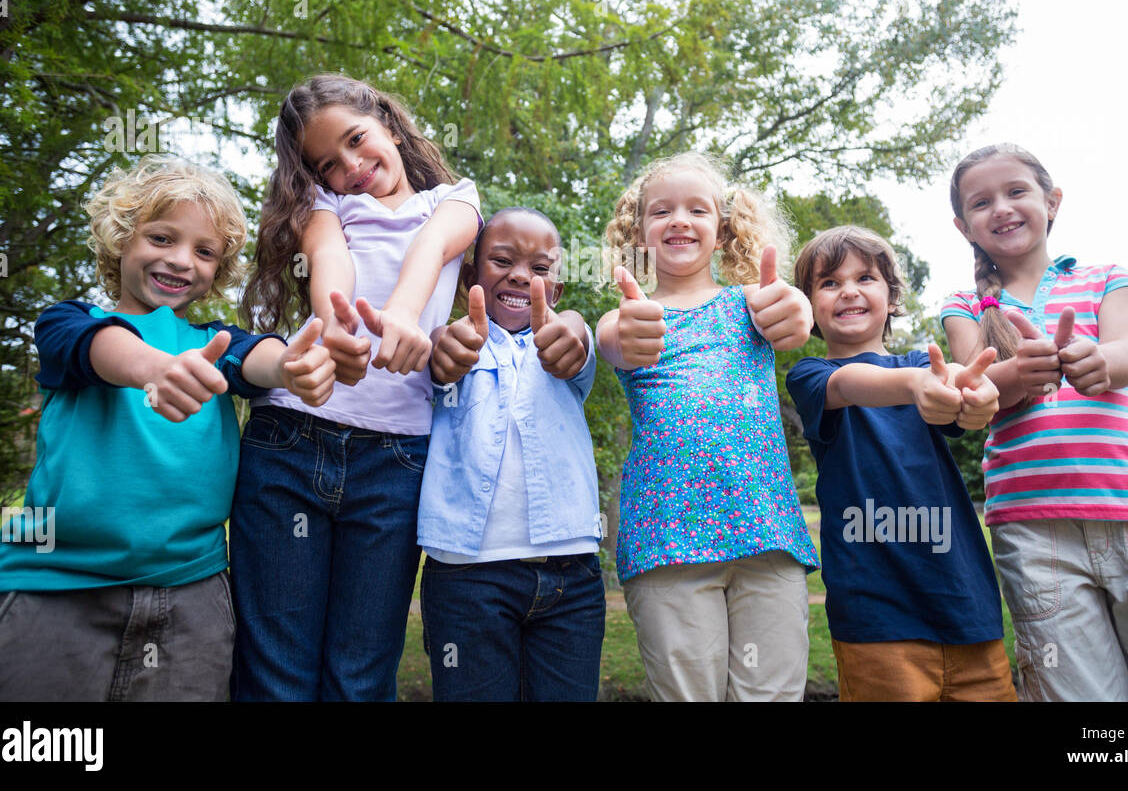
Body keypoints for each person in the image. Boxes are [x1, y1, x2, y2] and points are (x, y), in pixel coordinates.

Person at [0, 155, 334, 701]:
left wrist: (290, 368)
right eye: (161, 238)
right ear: (122, 241)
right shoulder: (71, 321)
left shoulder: (213, 344)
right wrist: (156, 369)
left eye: (204, 251)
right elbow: (99, 350)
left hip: (190, 596)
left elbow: (258, 358)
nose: (181, 260)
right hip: (51, 585)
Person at [231, 74, 480, 701]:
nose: (352, 166)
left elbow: (431, 247)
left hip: (392, 464)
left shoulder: (453, 201)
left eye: (358, 140)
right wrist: (339, 326)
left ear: (390, 127)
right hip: (290, 441)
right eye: (329, 163)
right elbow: (330, 256)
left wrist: (399, 314)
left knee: (360, 676)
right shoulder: (325, 205)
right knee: (276, 673)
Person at [941, 142, 1128, 701]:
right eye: (981, 202)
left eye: (1016, 192)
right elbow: (978, 391)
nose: (1001, 207)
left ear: (1052, 202)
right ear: (963, 225)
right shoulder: (964, 306)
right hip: (1034, 525)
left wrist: (1096, 362)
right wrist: (1022, 371)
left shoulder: (1107, 277)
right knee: (1075, 692)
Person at [597, 152, 819, 702]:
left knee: (771, 694)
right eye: (661, 211)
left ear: (722, 231)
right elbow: (613, 339)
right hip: (666, 541)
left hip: (765, 534)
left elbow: (789, 313)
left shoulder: (751, 303)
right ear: (639, 232)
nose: (678, 219)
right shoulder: (628, 314)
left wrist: (795, 310)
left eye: (697, 209)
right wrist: (627, 331)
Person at [785, 225, 1015, 701]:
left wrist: (976, 398)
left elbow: (959, 391)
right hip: (876, 618)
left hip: (967, 608)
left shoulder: (925, 367)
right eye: (828, 283)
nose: (848, 289)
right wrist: (916, 385)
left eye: (865, 278)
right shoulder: (810, 376)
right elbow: (849, 384)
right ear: (808, 307)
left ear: (891, 298)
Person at [418, 207, 605, 701]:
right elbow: (437, 359)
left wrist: (575, 326)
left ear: (556, 291)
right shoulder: (454, 343)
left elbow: (577, 343)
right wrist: (441, 346)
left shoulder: (563, 349)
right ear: (469, 279)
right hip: (465, 578)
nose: (521, 274)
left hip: (570, 575)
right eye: (502, 260)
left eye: (540, 268)